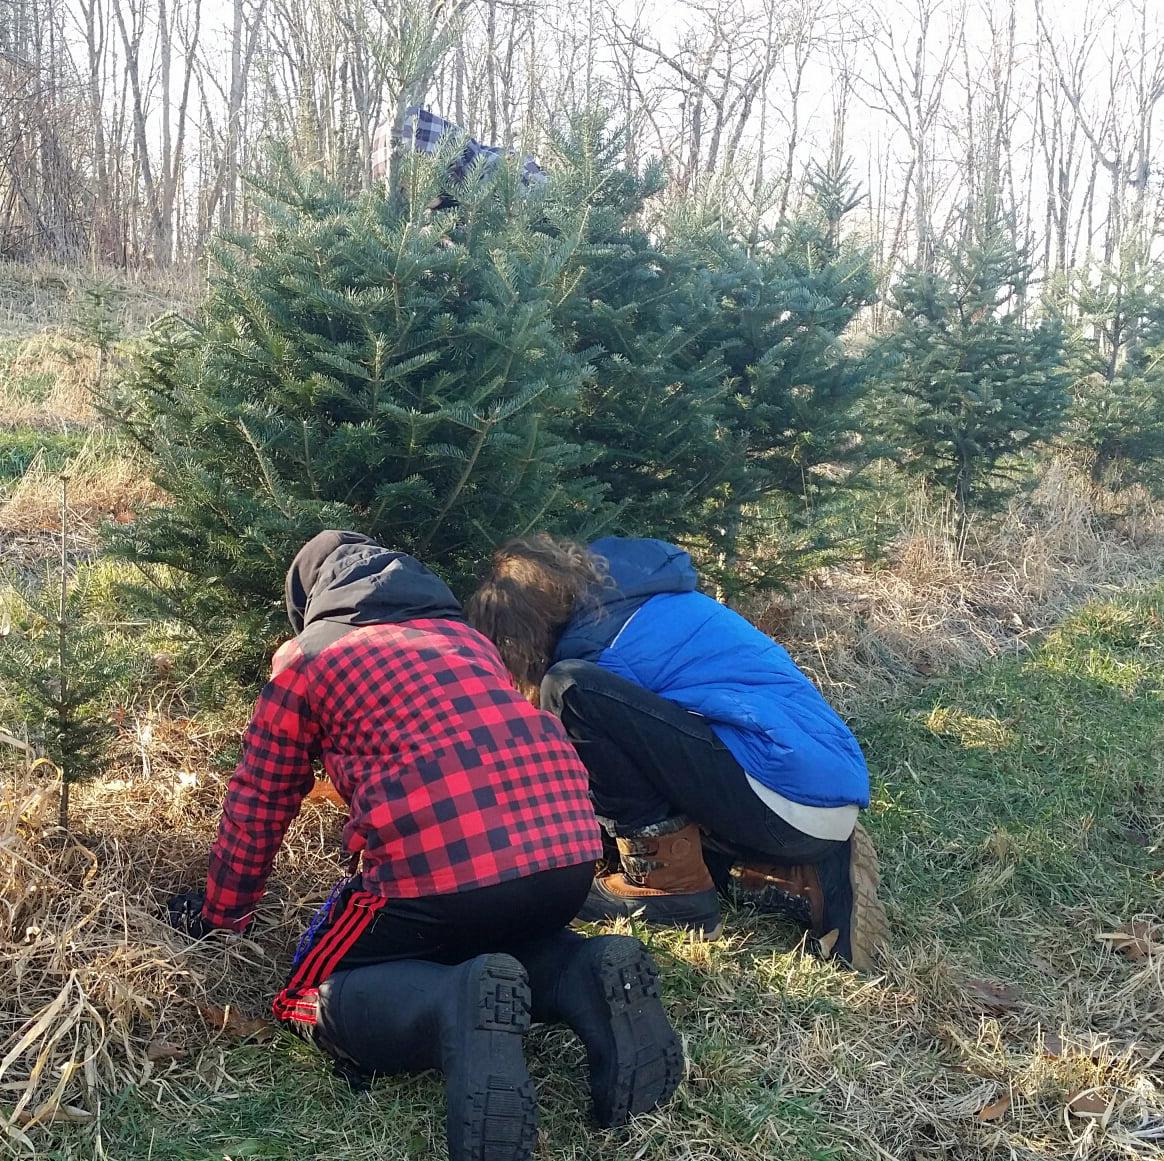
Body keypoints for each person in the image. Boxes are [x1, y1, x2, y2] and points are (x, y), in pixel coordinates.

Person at [166, 531, 682, 1161]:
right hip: (567, 854)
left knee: (305, 993)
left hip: (437, 875)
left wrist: (221, 916)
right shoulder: (468, 641)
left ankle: (448, 1006)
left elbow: (258, 805)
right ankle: (584, 973)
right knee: (497, 938)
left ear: (311, 603)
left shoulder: (306, 660)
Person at [466, 534, 889, 971]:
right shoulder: (644, 602)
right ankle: (809, 875)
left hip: (783, 796)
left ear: (521, 631)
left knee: (570, 689)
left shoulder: (594, 649)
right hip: (817, 790)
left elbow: (586, 771)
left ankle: (670, 886)